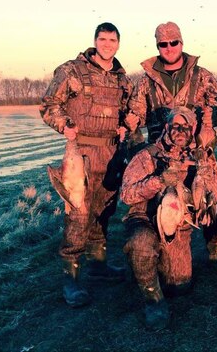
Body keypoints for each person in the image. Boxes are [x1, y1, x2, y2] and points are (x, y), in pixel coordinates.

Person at [40, 22, 132, 307]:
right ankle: (71, 277)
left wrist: (126, 126)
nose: (107, 44)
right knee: (78, 214)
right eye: (102, 39)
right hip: (81, 154)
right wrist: (64, 124)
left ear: (118, 43)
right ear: (95, 41)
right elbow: (49, 105)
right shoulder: (71, 71)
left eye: (112, 40)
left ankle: (99, 266)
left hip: (110, 155)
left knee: (103, 212)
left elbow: (129, 111)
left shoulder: (122, 78)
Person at [125, 22, 217, 266]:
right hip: (162, 154)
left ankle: (215, 250)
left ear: (182, 43)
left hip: (197, 153)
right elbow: (136, 114)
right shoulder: (145, 82)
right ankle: (161, 247)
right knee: (166, 199)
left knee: (214, 198)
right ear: (157, 46)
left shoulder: (202, 76)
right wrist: (127, 124)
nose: (169, 48)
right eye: (163, 44)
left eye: (174, 43)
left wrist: (209, 125)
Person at [121, 107, 217, 329]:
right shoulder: (148, 155)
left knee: (179, 287)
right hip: (145, 218)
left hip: (177, 223)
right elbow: (126, 195)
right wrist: (158, 181)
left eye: (185, 126)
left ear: (193, 129)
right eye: (175, 125)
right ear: (166, 127)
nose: (180, 130)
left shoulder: (201, 158)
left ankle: (147, 268)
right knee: (140, 243)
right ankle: (152, 300)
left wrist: (205, 182)